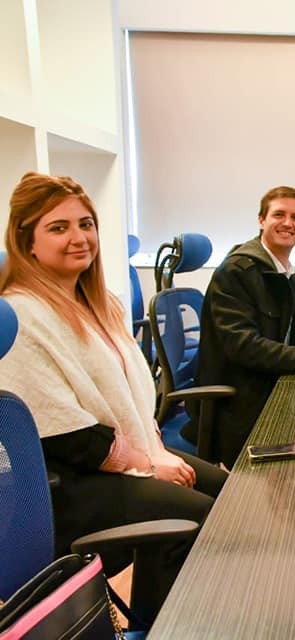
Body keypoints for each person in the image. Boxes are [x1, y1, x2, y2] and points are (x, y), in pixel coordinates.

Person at [0, 172, 227, 616]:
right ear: (27, 242)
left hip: (114, 460)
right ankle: (163, 624)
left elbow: (131, 397)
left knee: (231, 496)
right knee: (198, 516)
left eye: (86, 224)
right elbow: (64, 435)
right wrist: (149, 466)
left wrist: (153, 454)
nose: (79, 237)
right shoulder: (23, 313)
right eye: (59, 227)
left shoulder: (94, 302)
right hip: (71, 485)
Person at [190, 185, 295, 467]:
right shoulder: (237, 272)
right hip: (241, 402)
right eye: (279, 214)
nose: (287, 223)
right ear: (261, 220)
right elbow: (243, 346)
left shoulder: (283, 272)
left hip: (272, 386)